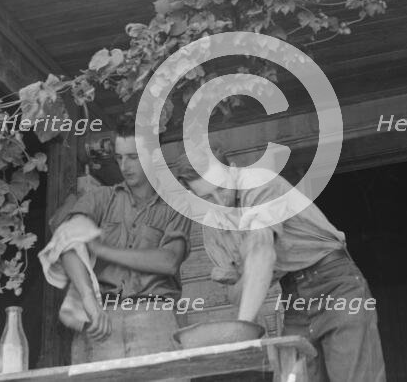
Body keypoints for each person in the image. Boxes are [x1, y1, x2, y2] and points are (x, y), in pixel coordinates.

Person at [173, 149, 386, 382]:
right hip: (294, 298)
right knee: (294, 376)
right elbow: (236, 294)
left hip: (336, 286)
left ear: (232, 169)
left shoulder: (257, 184)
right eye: (206, 197)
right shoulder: (212, 226)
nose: (219, 201)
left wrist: (241, 332)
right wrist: (248, 273)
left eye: (221, 188)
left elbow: (263, 251)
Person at [53, 116, 192, 364]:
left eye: (134, 157)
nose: (125, 165)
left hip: (156, 319)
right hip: (102, 320)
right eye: (119, 158)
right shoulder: (100, 197)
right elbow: (67, 243)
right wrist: (89, 301)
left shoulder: (176, 204)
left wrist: (101, 250)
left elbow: (168, 261)